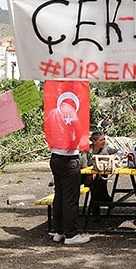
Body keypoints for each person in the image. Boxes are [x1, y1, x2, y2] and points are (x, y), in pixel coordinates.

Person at [44, 100, 90, 245]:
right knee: (70, 197)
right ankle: (71, 234)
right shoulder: (70, 112)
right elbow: (79, 129)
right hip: (69, 159)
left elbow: (43, 126)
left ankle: (58, 231)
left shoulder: (53, 113)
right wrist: (72, 143)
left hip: (55, 157)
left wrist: (52, 141)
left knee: (60, 195)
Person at [79, 131, 115, 216]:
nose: (104, 141)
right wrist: (93, 172)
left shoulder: (106, 148)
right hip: (85, 176)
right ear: (94, 142)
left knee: (97, 181)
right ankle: (105, 199)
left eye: (104, 139)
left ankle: (96, 209)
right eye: (101, 140)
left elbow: (117, 152)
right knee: (97, 179)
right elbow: (84, 165)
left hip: (96, 177)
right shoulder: (86, 150)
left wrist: (116, 156)